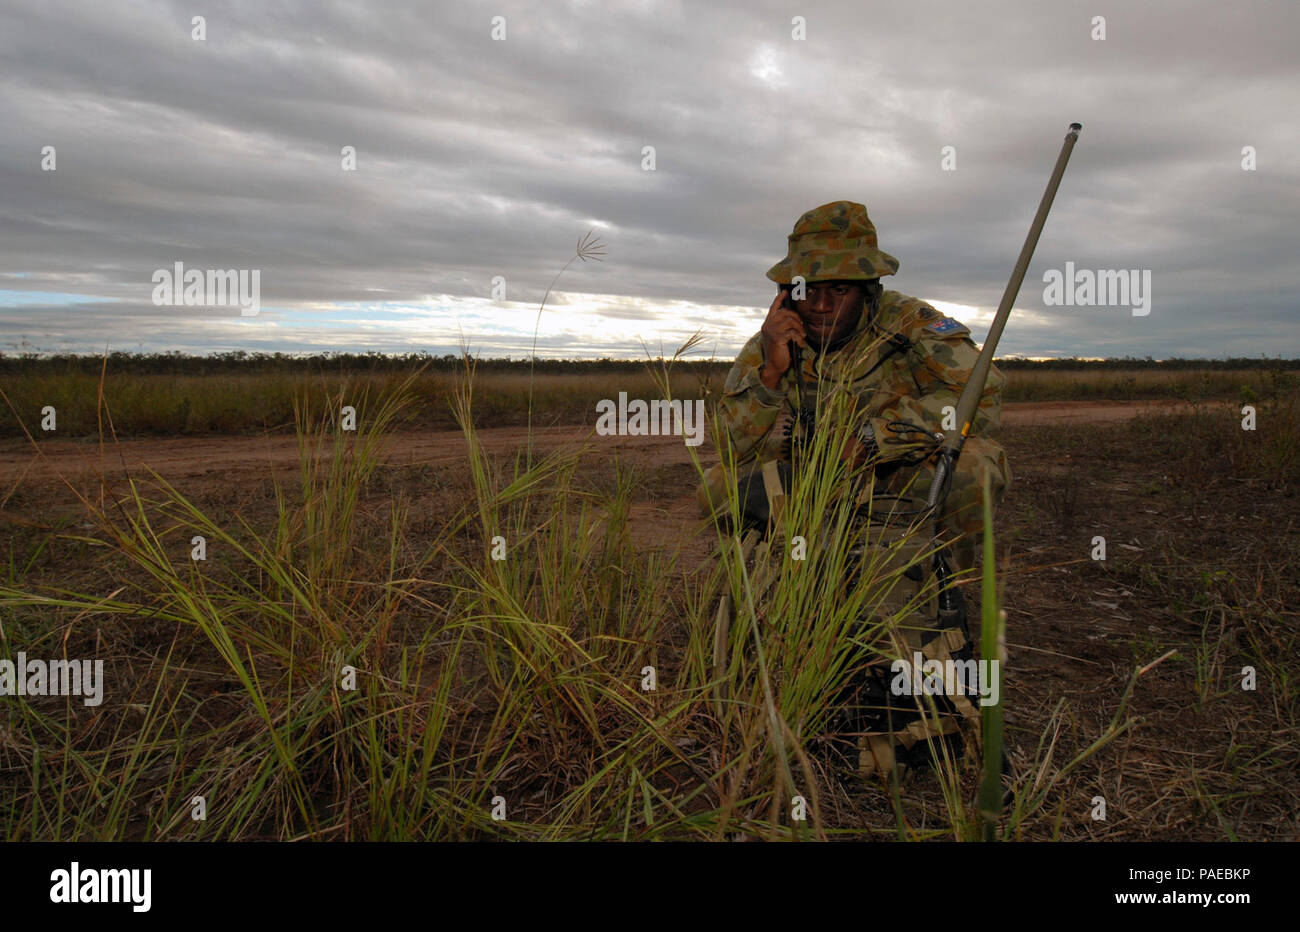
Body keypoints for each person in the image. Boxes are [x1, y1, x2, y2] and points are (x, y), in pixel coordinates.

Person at [698, 200, 1010, 573]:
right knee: (718, 489)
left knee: (973, 469)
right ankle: (786, 577)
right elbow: (728, 447)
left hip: (897, 468)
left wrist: (874, 439)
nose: (821, 305)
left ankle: (941, 589)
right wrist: (770, 374)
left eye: (840, 290)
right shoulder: (773, 339)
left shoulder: (909, 322)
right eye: (807, 290)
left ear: (868, 291)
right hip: (807, 474)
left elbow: (981, 396)